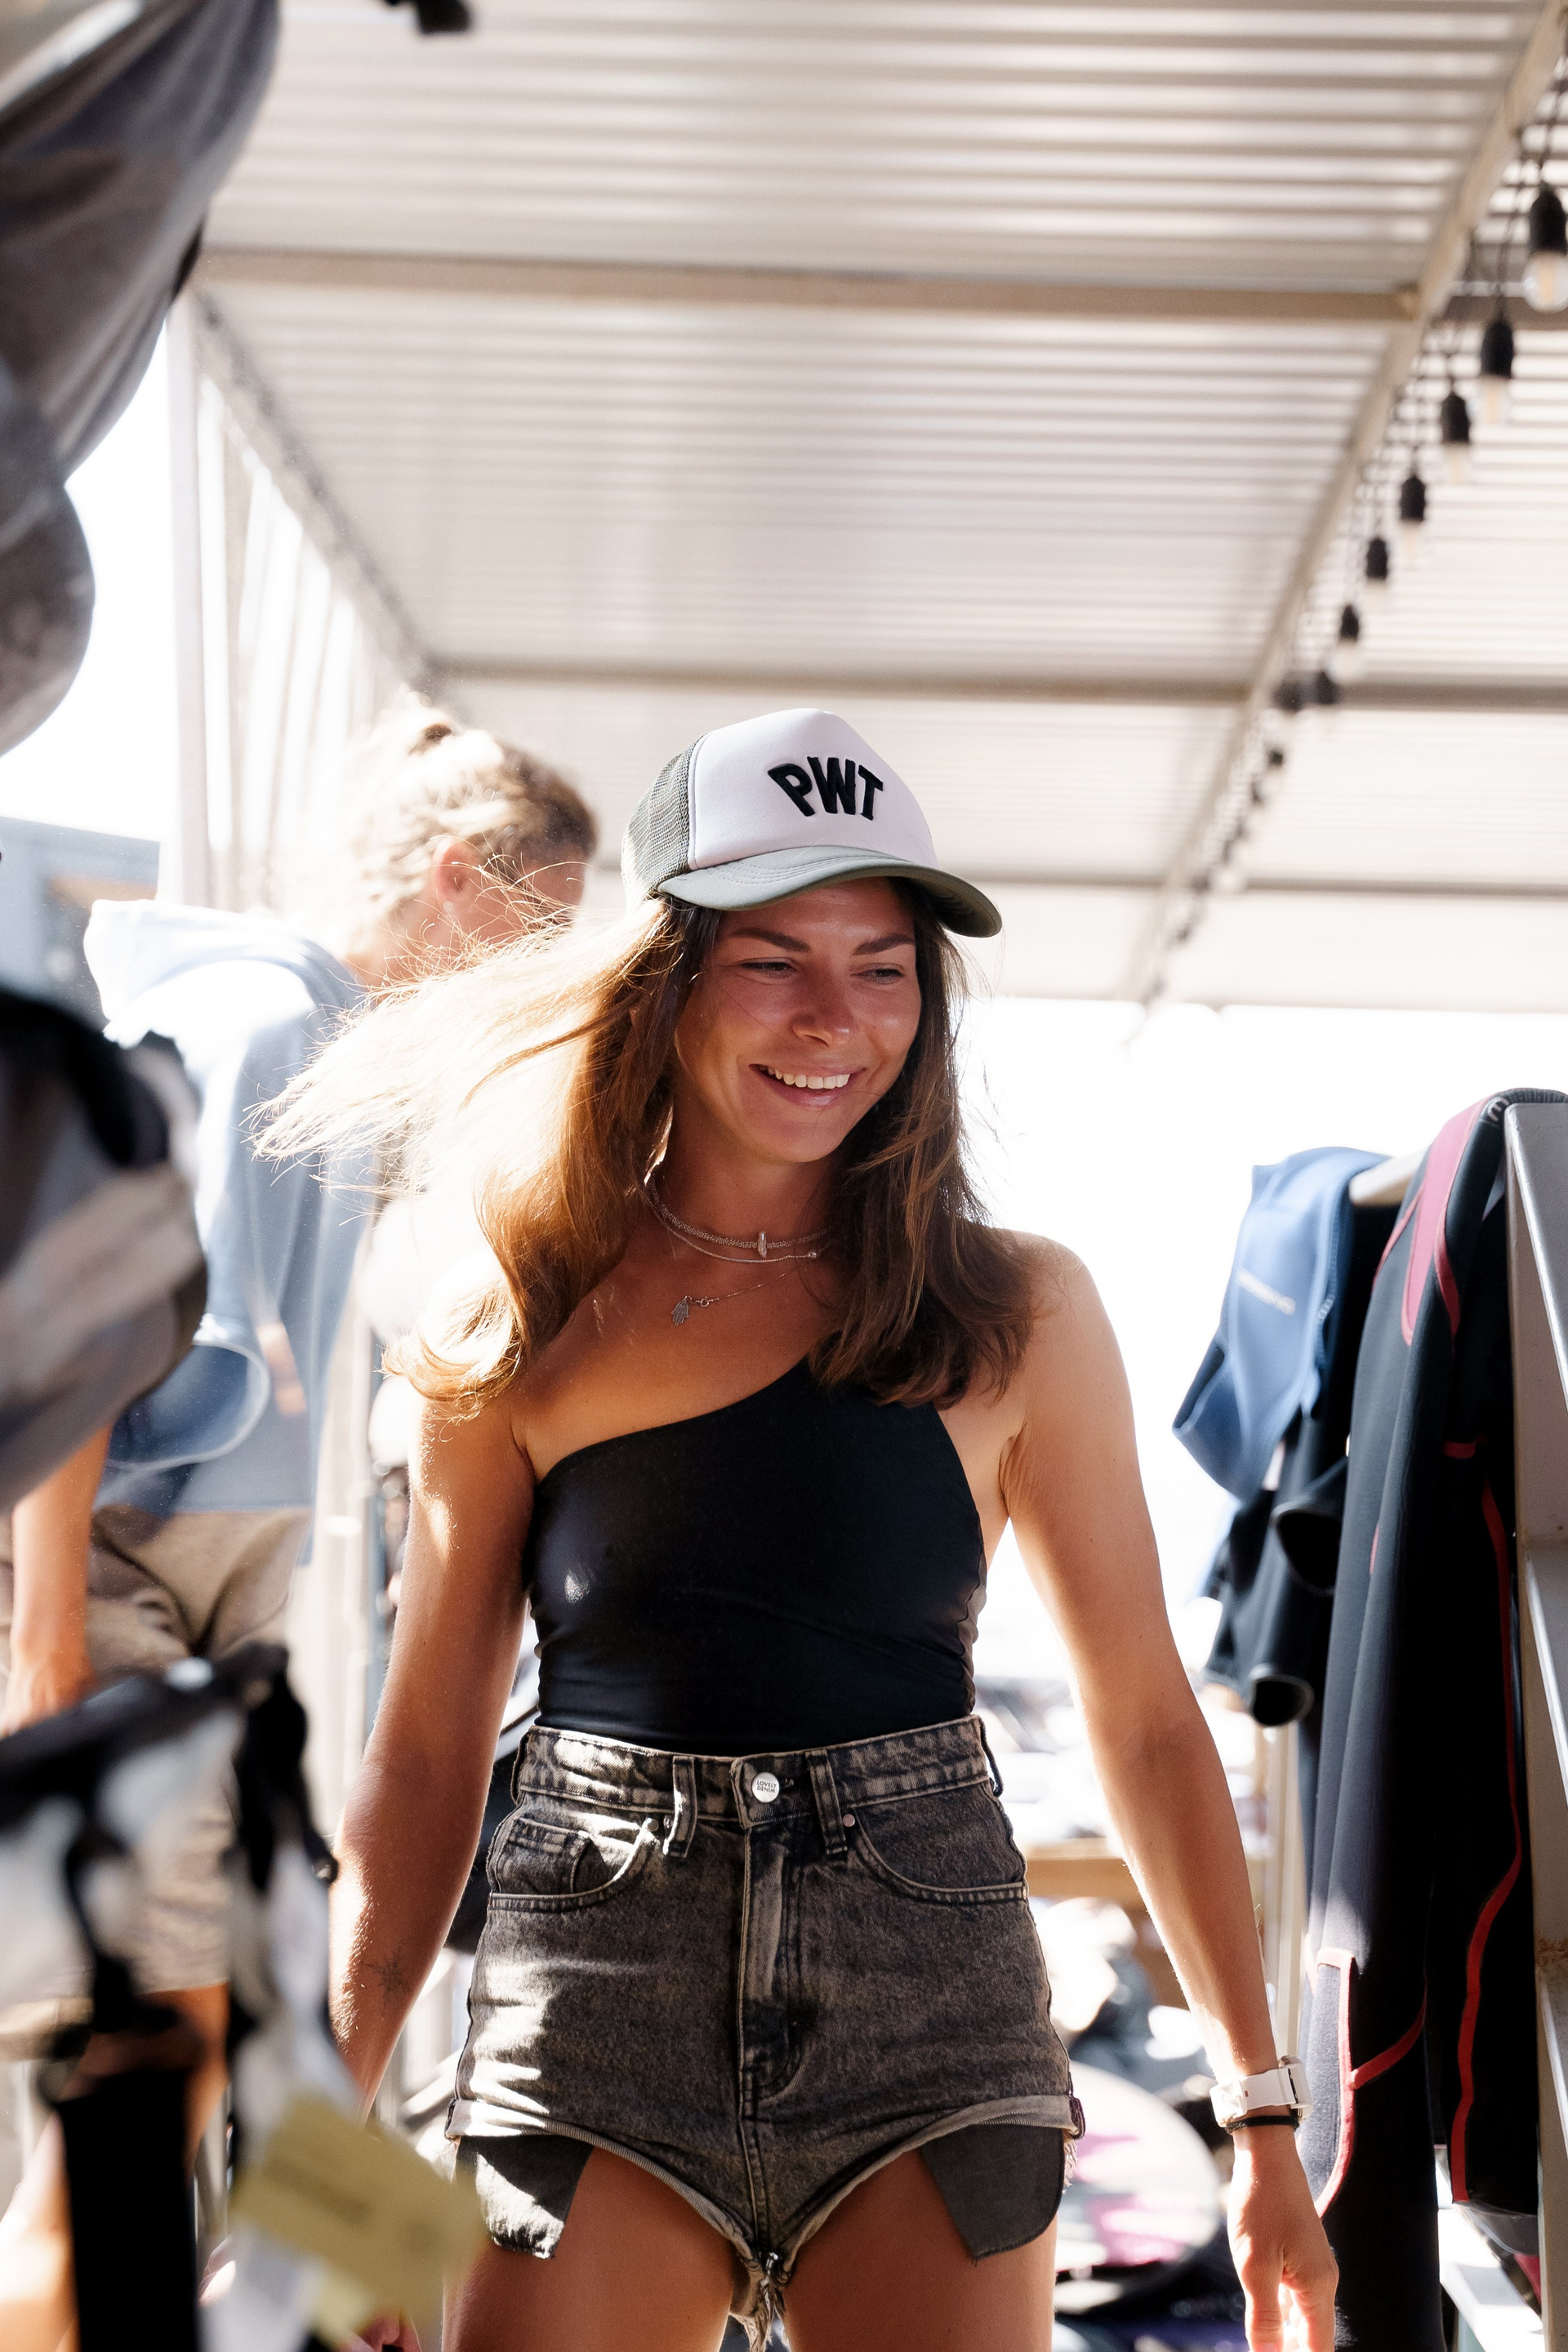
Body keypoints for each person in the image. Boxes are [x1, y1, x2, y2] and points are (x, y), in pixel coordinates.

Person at [271, 706, 1336, 2352]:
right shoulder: (519, 1318)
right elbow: (420, 1764)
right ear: (668, 981)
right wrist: (315, 2177)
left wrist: (1261, 2125)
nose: (836, 1018)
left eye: (883, 966)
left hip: (932, 2020)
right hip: (592, 2012)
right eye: (774, 961)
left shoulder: (1017, 1313)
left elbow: (1142, 1719)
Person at [0, 701, 595, 2352]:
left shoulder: (312, 1039)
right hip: (117, 1589)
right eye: (545, 921)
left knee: (200, 2077)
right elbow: (81, 1337)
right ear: (461, 878)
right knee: (127, 2133)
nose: (547, 970)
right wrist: (46, 1651)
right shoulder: (263, 1021)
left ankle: (340, 2276)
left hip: (195, 1606)